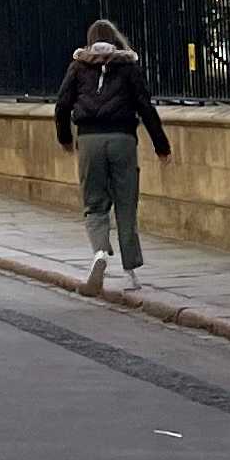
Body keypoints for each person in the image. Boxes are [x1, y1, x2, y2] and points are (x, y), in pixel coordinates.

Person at [54, 17, 174, 291]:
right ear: (115, 38)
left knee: (94, 203)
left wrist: (64, 139)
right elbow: (145, 107)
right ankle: (131, 272)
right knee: (126, 203)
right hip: (122, 139)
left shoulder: (77, 66)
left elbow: (62, 106)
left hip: (89, 140)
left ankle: (99, 253)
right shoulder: (128, 67)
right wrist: (162, 146)